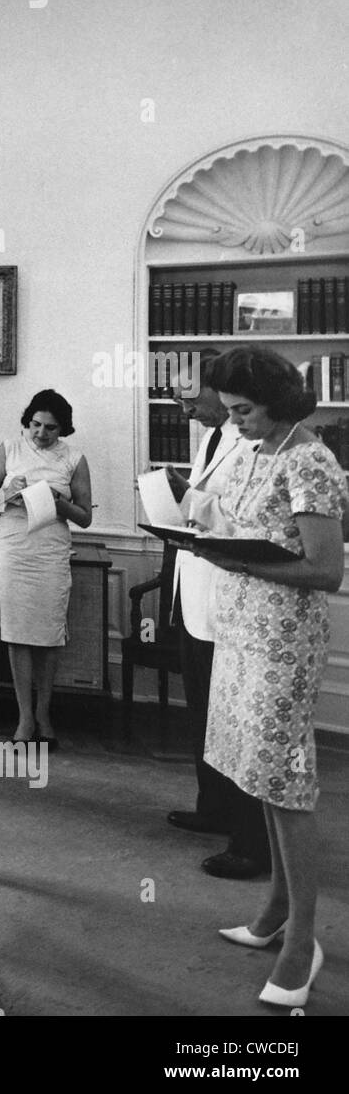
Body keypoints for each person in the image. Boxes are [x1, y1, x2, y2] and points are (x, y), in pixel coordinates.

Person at [190, 347, 346, 1007]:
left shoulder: (310, 458)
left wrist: (242, 564)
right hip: (241, 633)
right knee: (257, 771)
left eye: (243, 411)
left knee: (284, 783)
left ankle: (302, 940)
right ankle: (277, 905)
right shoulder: (251, 448)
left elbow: (325, 569)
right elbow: (242, 522)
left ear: (277, 401)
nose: (234, 422)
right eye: (227, 412)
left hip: (283, 643)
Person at [160, 359, 269, 879]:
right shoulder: (212, 436)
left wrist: (192, 500)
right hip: (197, 590)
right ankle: (215, 807)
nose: (183, 408)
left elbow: (244, 518)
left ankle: (247, 835)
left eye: (190, 397)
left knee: (233, 717)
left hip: (231, 595)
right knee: (202, 707)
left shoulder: (250, 439)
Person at [0, 390, 93, 746]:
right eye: (35, 426)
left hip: (50, 549)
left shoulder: (74, 458)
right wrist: (6, 491)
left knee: (48, 633)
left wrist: (58, 501)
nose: (41, 434)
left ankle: (44, 711)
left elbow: (86, 517)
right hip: (14, 546)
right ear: (27, 422)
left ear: (64, 429)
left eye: (51, 428)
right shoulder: (9, 448)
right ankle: (24, 717)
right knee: (16, 631)